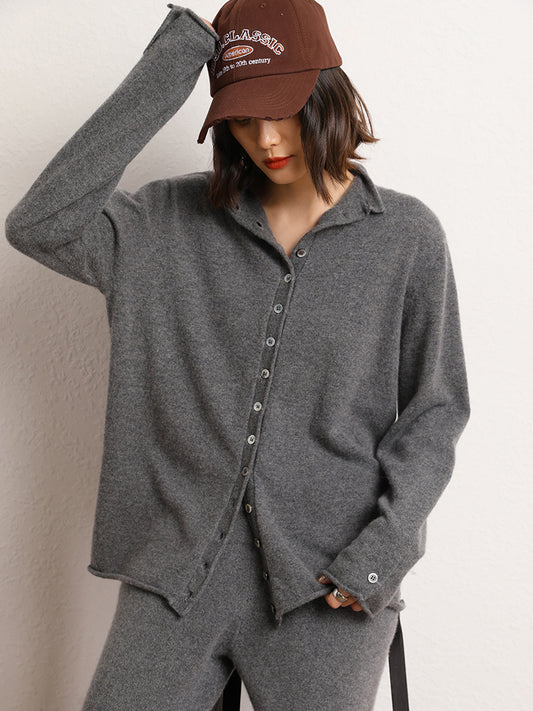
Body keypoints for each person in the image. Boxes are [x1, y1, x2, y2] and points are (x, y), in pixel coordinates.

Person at [4, 1, 470, 710]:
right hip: (175, 575)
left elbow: (434, 414)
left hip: (329, 584)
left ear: (327, 94)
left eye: (283, 111)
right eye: (243, 119)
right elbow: (40, 223)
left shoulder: (406, 238)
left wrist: (381, 555)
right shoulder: (162, 223)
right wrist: (178, 59)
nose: (266, 139)